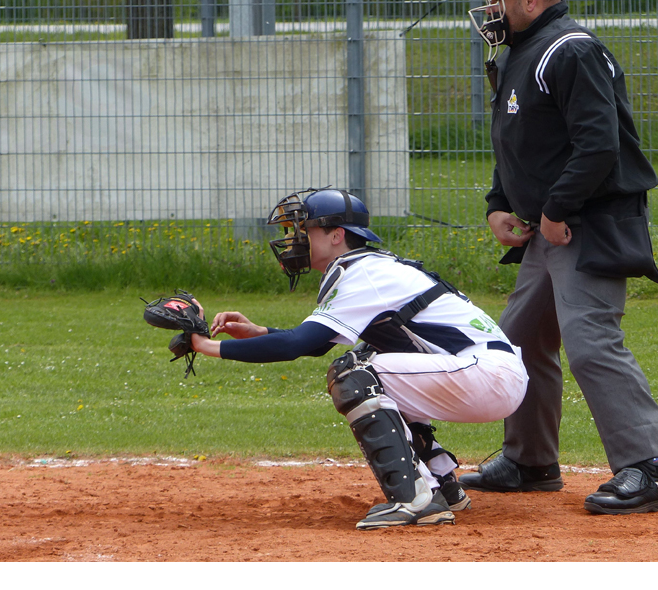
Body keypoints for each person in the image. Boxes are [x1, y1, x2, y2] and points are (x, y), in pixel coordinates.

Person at [190, 187, 529, 529]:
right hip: (488, 372)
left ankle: (415, 498)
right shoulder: (367, 268)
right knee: (370, 359)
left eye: (305, 230)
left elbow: (296, 345)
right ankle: (443, 486)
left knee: (354, 373)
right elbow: (316, 343)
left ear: (337, 235)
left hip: (485, 375)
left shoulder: (362, 273)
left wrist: (206, 346)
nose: (296, 240)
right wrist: (261, 332)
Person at [459, 0, 658, 514]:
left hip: (589, 223)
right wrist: (497, 203)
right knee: (517, 342)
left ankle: (649, 471)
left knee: (591, 341)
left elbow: (598, 142)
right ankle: (531, 461)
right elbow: (520, 142)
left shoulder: (569, 49)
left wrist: (556, 208)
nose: (490, 11)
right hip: (550, 227)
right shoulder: (522, 52)